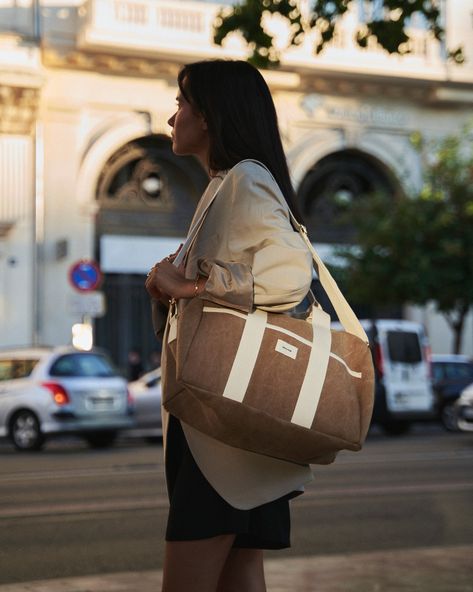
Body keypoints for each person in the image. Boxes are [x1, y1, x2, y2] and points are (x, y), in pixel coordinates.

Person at [145, 59, 313, 592]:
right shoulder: (225, 185)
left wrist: (190, 286)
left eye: (181, 103)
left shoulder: (245, 180)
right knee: (239, 577)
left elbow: (289, 273)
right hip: (229, 422)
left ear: (211, 115)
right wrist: (169, 288)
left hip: (218, 427)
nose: (172, 118)